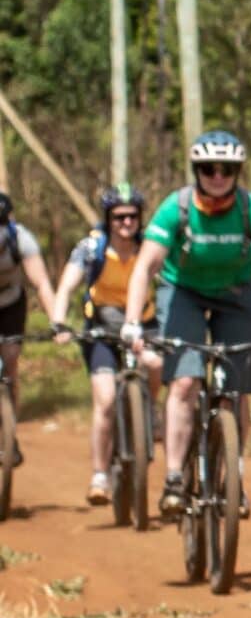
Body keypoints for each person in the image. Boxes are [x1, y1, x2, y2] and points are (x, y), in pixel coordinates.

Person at [123, 131, 251, 519]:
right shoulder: (176, 208)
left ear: (237, 172)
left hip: (236, 296)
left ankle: (232, 475)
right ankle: (175, 476)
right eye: (209, 169)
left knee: (236, 391)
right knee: (184, 381)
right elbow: (145, 266)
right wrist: (131, 322)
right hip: (183, 294)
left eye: (226, 169)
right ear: (197, 171)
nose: (217, 176)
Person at [49, 183, 164, 505]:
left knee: (157, 365)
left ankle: (150, 411)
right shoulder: (91, 248)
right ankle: (99, 475)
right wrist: (59, 321)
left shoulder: (151, 248)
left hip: (144, 325)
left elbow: (171, 282)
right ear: (108, 219)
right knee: (106, 399)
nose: (126, 223)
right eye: (119, 217)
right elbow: (68, 284)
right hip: (101, 330)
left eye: (132, 216)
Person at [0, 188, 62, 465]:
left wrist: (57, 322)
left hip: (11, 303)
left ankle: (8, 431)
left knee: (10, 358)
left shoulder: (20, 239)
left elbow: (41, 284)